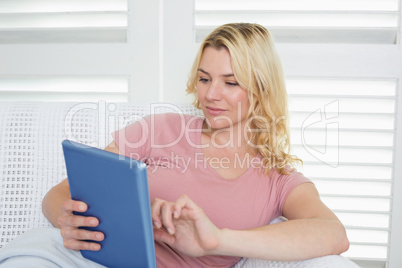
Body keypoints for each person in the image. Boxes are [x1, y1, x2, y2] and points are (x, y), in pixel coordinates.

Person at [42, 23, 349, 267]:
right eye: (204, 79)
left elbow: (334, 234)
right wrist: (67, 219)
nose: (211, 95)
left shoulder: (277, 178)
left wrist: (216, 239)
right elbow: (59, 194)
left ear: (262, 89)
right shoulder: (159, 129)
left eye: (230, 82)